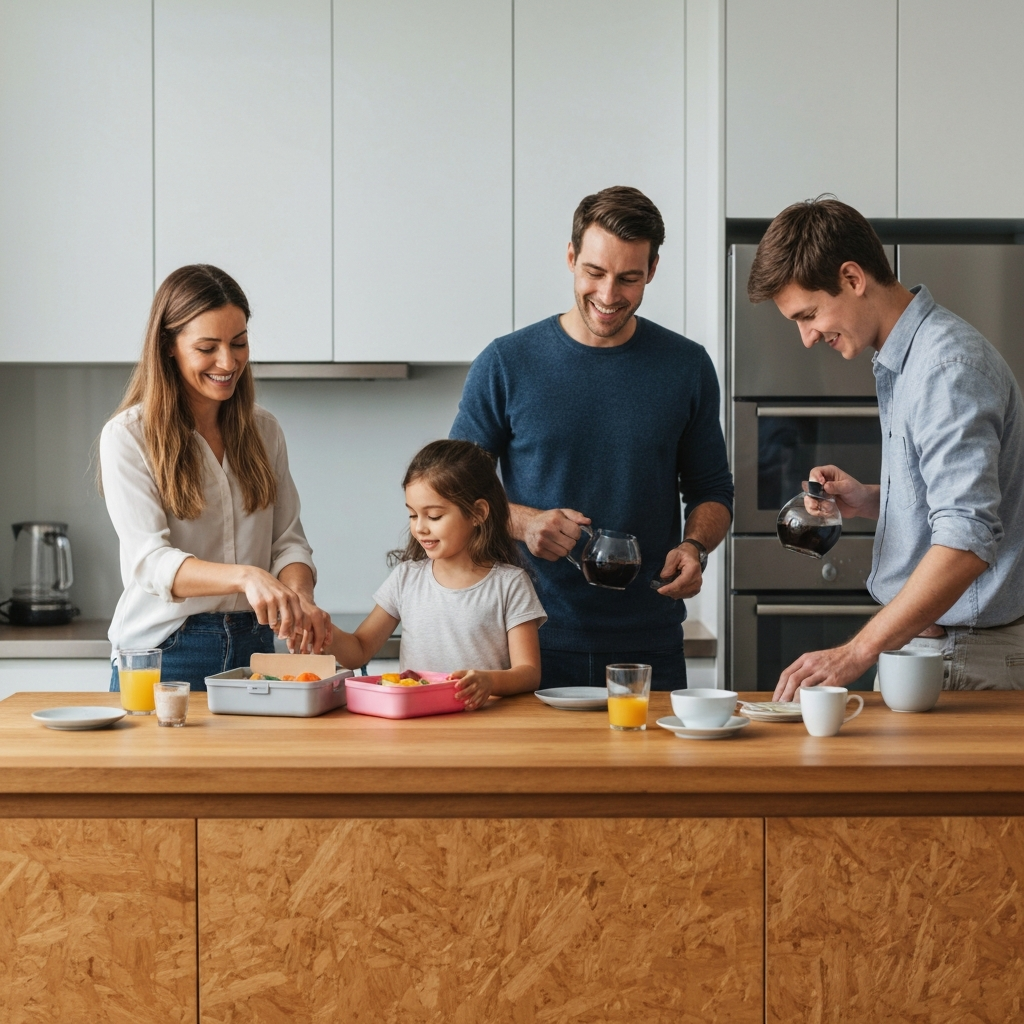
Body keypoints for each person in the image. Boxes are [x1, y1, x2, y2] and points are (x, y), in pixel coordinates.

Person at [450, 186, 733, 690]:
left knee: (650, 772)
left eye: (628, 278)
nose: (607, 296)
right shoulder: (506, 363)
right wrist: (524, 522)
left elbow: (713, 491)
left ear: (652, 271)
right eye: (594, 273)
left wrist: (695, 547)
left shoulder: (686, 367)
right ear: (570, 257)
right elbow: (452, 491)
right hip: (527, 640)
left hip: (651, 642)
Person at [745, 198, 1024, 699]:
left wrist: (855, 652)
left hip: (964, 655)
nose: (807, 338)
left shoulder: (945, 369)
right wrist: (873, 498)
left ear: (853, 278)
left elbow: (967, 538)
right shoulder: (909, 360)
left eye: (808, 315)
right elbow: (962, 501)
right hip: (938, 650)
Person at [100, 264, 331, 691]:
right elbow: (150, 562)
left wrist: (299, 598)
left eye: (239, 343)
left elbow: (288, 543)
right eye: (208, 347)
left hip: (256, 648)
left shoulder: (265, 431)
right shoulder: (128, 436)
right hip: (165, 652)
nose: (228, 362)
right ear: (169, 345)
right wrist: (246, 575)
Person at [327, 440, 546, 709]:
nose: (419, 528)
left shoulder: (510, 584)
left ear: (477, 513)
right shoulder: (405, 579)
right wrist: (325, 632)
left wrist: (490, 681)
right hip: (417, 728)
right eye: (412, 515)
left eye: (434, 516)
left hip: (486, 729)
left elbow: (529, 673)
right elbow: (358, 650)